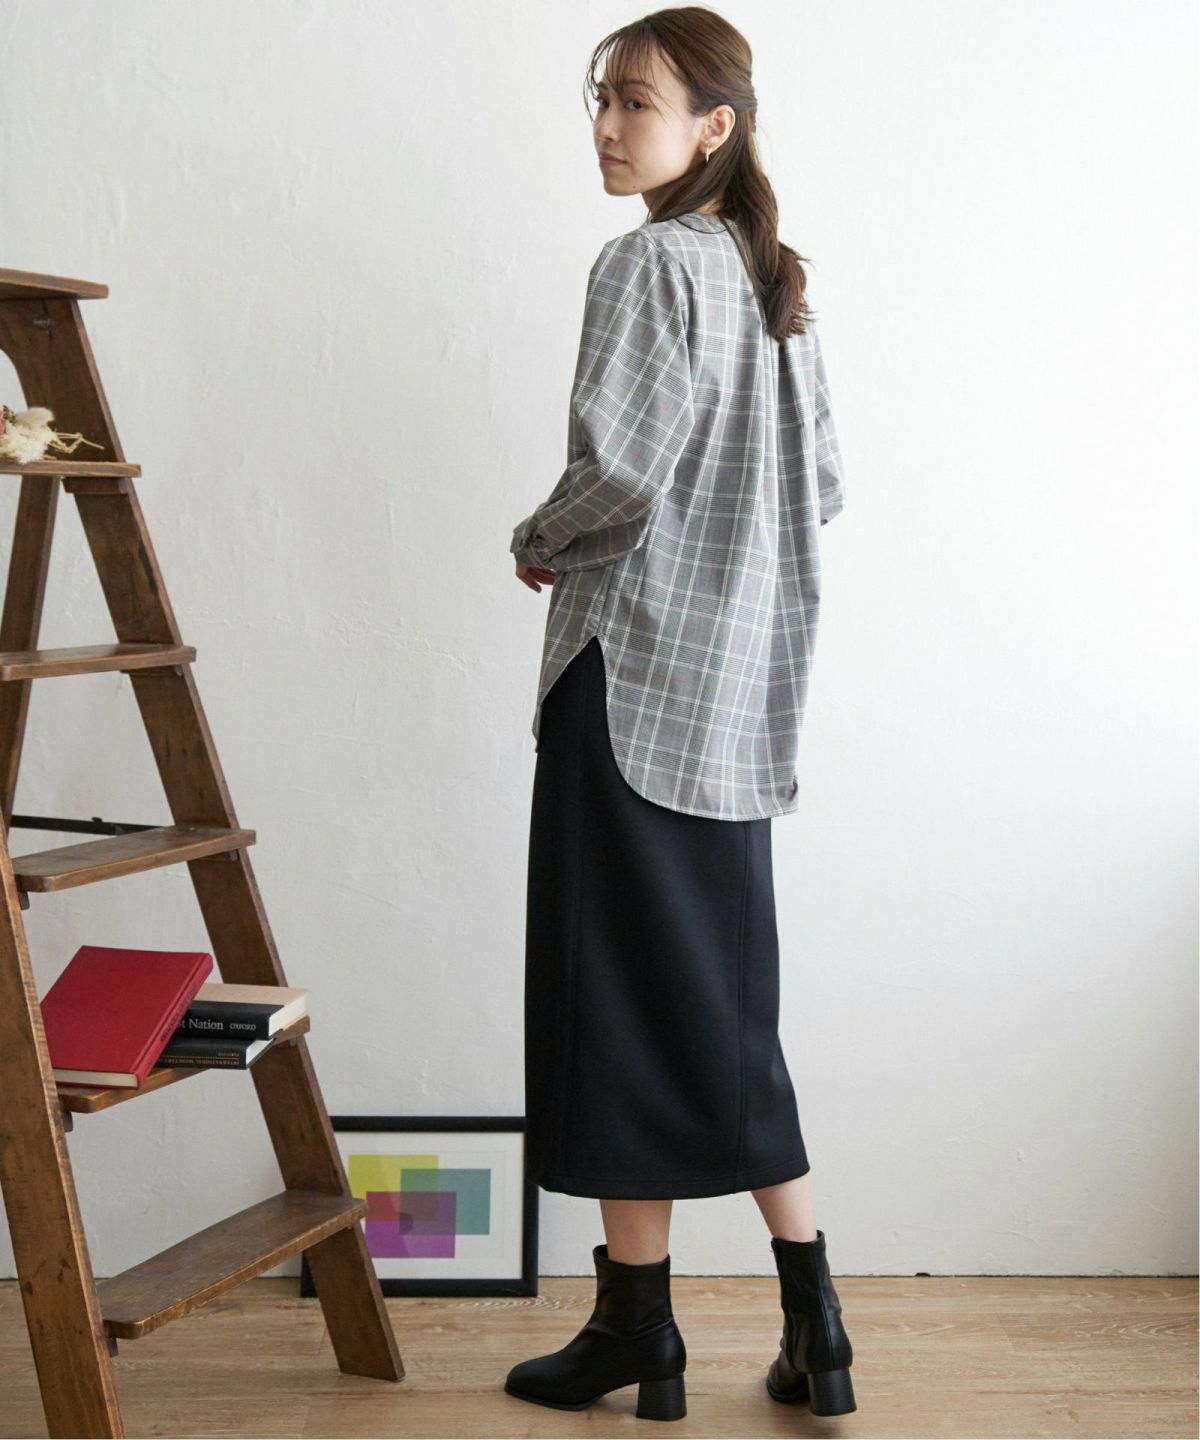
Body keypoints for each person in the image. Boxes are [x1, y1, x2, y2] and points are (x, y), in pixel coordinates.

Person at [505, 6, 855, 1423]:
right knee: (718, 1009)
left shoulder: (648, 261)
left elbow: (621, 475)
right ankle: (807, 1321)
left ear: (715, 126)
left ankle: (640, 1332)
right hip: (735, 705)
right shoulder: (777, 284)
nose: (608, 127)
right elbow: (824, 487)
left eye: (637, 103)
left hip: (633, 682)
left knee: (612, 1008)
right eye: (601, 100)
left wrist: (539, 536)